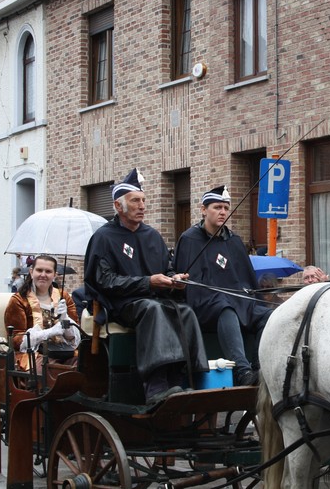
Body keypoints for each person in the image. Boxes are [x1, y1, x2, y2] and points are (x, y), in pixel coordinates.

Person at [84, 168, 208, 405]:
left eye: (143, 200)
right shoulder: (104, 237)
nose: (142, 206)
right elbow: (105, 281)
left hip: (155, 298)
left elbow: (166, 269)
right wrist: (147, 282)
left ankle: (182, 379)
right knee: (153, 310)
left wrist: (175, 279)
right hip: (121, 304)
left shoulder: (152, 235)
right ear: (118, 206)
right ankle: (155, 385)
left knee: (185, 312)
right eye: (135, 201)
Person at [174, 185, 272, 386]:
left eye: (226, 208)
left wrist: (254, 300)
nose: (223, 212)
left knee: (268, 314)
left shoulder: (234, 241)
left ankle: (259, 368)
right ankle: (242, 371)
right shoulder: (190, 239)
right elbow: (190, 286)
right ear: (204, 210)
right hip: (205, 305)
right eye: (217, 207)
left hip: (238, 302)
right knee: (224, 306)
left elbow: (247, 279)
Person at [4, 255, 80, 370]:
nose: (43, 275)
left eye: (48, 271)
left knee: (82, 365)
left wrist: (65, 318)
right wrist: (49, 332)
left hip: (63, 351)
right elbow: (16, 341)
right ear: (31, 272)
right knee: (49, 369)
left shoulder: (63, 297)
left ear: (55, 275)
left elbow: (74, 338)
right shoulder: (19, 300)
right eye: (39, 270)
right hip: (34, 354)